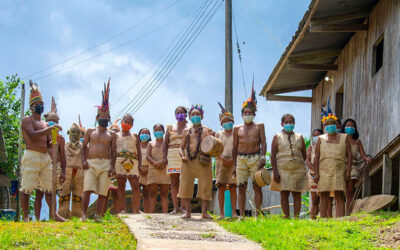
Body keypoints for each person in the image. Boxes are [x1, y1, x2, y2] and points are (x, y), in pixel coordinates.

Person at [20, 80, 65, 222]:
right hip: (31, 155)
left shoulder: (45, 124)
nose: (40, 106)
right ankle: (26, 216)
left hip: (45, 158)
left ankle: (54, 214)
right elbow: (32, 136)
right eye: (37, 104)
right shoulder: (27, 120)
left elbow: (49, 144)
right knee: (27, 187)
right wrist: (50, 129)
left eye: (41, 104)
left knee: (50, 187)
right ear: (31, 107)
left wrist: (55, 138)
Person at [81, 79, 117, 222]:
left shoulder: (112, 134)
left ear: (108, 118)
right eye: (101, 116)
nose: (103, 118)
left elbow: (113, 152)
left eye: (105, 117)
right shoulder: (90, 131)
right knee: (87, 189)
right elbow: (83, 147)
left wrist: (113, 166)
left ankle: (97, 215)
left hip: (106, 163)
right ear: (97, 118)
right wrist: (83, 161)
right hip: (91, 163)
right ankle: (83, 215)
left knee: (103, 191)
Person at [314, 99, 352, 218]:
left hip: (339, 169)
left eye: (332, 124)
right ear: (324, 126)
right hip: (324, 170)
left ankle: (340, 219)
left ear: (337, 125)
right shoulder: (321, 139)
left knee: (339, 194)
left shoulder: (344, 137)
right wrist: (316, 173)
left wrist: (348, 170)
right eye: (328, 124)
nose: (330, 126)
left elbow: (349, 154)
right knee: (324, 194)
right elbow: (317, 157)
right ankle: (323, 219)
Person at [233, 85, 267, 217]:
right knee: (241, 187)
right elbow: (234, 147)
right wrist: (235, 165)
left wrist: (263, 157)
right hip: (241, 159)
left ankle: (258, 214)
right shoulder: (237, 128)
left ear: (254, 114)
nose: (247, 115)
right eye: (245, 113)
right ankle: (241, 215)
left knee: (257, 186)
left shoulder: (259, 126)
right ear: (241, 114)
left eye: (250, 113)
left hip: (255, 158)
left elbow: (263, 142)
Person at [178, 105, 214, 219]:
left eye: (197, 114)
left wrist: (212, 137)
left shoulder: (208, 130)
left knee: (206, 184)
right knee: (186, 185)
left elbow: (213, 144)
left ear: (202, 116)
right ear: (189, 116)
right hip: (188, 161)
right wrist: (182, 155)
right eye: (193, 114)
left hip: (203, 160)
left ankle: (204, 212)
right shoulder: (186, 131)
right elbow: (181, 147)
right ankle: (188, 212)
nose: (195, 116)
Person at [270, 114, 308, 219]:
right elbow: (273, 156)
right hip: (282, 169)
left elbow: (305, 156)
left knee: (297, 193)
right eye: (286, 122)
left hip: (298, 169)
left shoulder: (299, 137)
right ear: (282, 124)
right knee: (284, 193)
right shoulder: (277, 137)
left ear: (294, 124)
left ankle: (296, 218)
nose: (289, 124)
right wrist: (276, 172)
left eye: (291, 122)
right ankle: (286, 217)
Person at [34, 97, 66, 221]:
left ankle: (54, 216)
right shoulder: (42, 136)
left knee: (51, 193)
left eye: (54, 121)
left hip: (55, 167)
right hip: (43, 165)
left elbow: (62, 157)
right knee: (39, 193)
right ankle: (37, 219)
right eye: (50, 121)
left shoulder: (61, 139)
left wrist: (63, 172)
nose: (52, 123)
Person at [342, 118, 372, 213]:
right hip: (342, 166)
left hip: (353, 167)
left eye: (352, 126)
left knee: (350, 191)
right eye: (347, 125)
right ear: (344, 127)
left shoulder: (357, 141)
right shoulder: (340, 139)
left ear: (355, 128)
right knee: (342, 191)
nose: (349, 127)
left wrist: (367, 159)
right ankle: (341, 212)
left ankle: (348, 212)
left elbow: (362, 155)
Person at [113, 115, 141, 214]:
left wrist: (140, 165)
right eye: (125, 121)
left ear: (132, 125)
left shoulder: (135, 136)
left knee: (136, 186)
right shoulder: (116, 135)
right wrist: (112, 166)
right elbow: (113, 151)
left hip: (133, 162)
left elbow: (139, 151)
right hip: (119, 162)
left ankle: (136, 210)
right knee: (121, 186)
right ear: (121, 122)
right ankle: (122, 209)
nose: (127, 124)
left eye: (129, 123)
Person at [163, 106, 188, 214]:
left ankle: (183, 207)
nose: (180, 114)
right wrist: (164, 157)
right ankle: (175, 207)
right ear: (175, 115)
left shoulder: (189, 127)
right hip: (172, 155)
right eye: (178, 112)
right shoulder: (170, 128)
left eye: (182, 112)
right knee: (174, 182)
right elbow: (165, 144)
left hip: (185, 155)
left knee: (184, 181)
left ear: (186, 114)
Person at [215, 103, 238, 219]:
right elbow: (215, 149)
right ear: (221, 123)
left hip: (234, 163)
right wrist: (222, 158)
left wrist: (233, 159)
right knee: (221, 187)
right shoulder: (218, 134)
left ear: (233, 122)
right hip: (221, 162)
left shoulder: (237, 133)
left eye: (229, 121)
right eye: (224, 121)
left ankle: (234, 212)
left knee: (233, 187)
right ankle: (221, 213)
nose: (227, 123)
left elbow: (239, 147)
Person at [58, 122, 85, 218]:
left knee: (78, 194)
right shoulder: (64, 146)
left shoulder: (84, 147)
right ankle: (63, 214)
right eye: (73, 132)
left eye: (77, 132)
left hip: (80, 173)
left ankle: (77, 215)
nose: (75, 135)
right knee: (64, 192)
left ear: (81, 134)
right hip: (67, 172)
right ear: (69, 133)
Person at [147, 124, 171, 213]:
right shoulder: (150, 143)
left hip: (165, 169)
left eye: (160, 130)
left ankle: (165, 213)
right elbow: (147, 156)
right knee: (152, 193)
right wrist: (155, 164)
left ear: (164, 132)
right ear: (153, 132)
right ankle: (151, 214)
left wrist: (161, 162)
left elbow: (169, 155)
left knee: (164, 194)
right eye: (156, 130)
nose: (158, 132)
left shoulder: (167, 143)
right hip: (153, 170)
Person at [305, 128, 323, 219]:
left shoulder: (325, 147)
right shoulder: (310, 148)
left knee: (322, 198)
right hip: (312, 175)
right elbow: (307, 161)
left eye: (318, 135)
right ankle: (313, 218)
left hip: (323, 175)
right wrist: (316, 171)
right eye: (314, 135)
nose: (316, 137)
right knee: (314, 199)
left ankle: (322, 218)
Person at [138, 128, 151, 212]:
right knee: (136, 193)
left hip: (148, 172)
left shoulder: (151, 145)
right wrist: (139, 169)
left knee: (146, 194)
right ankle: (136, 210)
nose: (144, 134)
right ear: (139, 134)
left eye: (147, 133)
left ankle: (147, 212)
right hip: (137, 172)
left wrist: (147, 170)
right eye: (143, 133)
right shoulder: (136, 146)